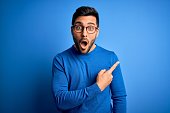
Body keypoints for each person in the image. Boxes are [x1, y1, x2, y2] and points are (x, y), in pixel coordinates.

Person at [52, 6, 127, 113]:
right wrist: (97, 87)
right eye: (78, 27)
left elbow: (119, 98)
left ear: (97, 32)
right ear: (72, 30)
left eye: (90, 28)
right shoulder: (60, 60)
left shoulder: (110, 58)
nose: (84, 33)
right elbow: (60, 101)